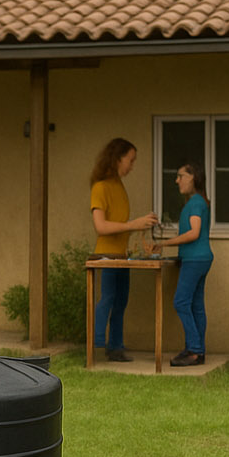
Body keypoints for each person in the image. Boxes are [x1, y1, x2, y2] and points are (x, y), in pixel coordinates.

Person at [89, 137, 158, 362]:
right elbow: (101, 226)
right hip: (107, 255)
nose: (132, 165)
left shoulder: (119, 185)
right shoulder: (100, 187)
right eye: (131, 160)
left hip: (122, 254)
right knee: (108, 298)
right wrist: (133, 224)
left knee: (121, 301)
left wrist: (141, 229)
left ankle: (115, 347)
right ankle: (95, 344)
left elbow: (122, 224)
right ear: (117, 159)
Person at [156, 162, 212, 367]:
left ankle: (195, 350)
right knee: (196, 306)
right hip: (200, 258)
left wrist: (163, 243)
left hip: (196, 259)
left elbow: (194, 232)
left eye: (180, 176)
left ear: (192, 178)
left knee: (180, 302)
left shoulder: (196, 203)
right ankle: (198, 350)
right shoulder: (197, 201)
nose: (177, 180)